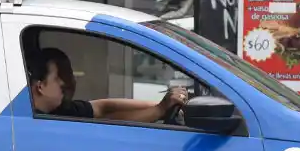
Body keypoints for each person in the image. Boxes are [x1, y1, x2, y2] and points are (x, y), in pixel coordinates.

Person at [27, 47, 188, 123]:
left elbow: (103, 108)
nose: (65, 82)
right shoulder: (49, 122)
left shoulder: (60, 110)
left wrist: (159, 106)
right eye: (58, 78)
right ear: (40, 86)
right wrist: (159, 110)